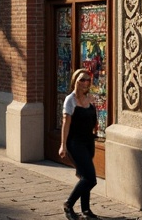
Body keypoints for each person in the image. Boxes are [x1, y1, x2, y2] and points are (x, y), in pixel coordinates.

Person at [58, 68, 99, 220]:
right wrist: (63, 145)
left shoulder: (90, 99)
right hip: (75, 143)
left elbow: (92, 119)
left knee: (84, 176)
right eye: (81, 79)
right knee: (90, 178)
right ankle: (68, 204)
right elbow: (65, 124)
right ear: (74, 80)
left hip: (89, 142)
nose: (85, 82)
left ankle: (86, 210)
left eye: (87, 80)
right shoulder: (70, 100)